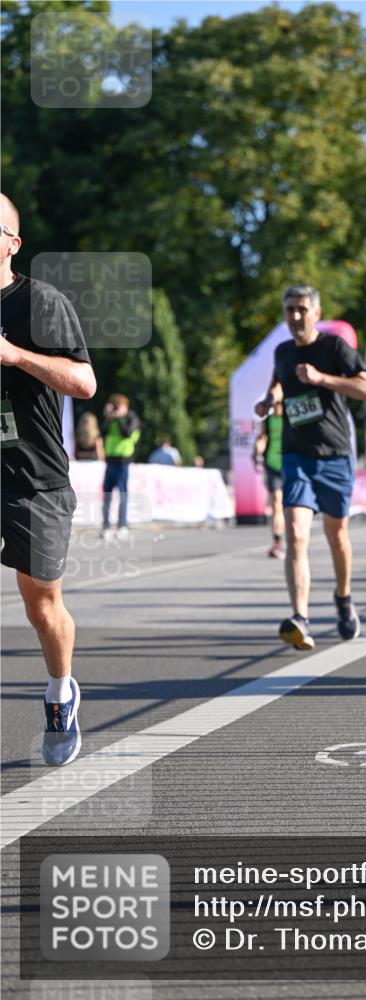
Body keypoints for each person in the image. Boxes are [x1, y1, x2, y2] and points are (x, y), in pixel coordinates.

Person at [0, 192, 96, 766]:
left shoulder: (39, 302)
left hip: (33, 478)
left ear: (12, 242)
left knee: (41, 607)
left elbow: (83, 383)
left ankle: (61, 692)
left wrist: (13, 356)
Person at [254, 284, 366, 649]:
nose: (295, 316)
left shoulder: (334, 348)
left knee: (336, 535)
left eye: (302, 310)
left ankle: (343, 598)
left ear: (316, 313)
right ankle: (300, 618)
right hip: (296, 456)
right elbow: (280, 384)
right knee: (295, 534)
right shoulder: (282, 352)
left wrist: (322, 379)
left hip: (335, 455)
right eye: (289, 309)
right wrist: (268, 400)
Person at [101, 393, 141, 540]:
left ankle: (122, 525)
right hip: (110, 461)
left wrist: (118, 418)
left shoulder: (132, 418)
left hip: (123, 462)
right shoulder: (110, 420)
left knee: (122, 494)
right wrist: (107, 417)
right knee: (106, 495)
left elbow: (127, 433)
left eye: (118, 406)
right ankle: (106, 525)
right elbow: (103, 433)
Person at [253, 383, 285, 559]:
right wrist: (258, 448)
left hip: (291, 463)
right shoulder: (268, 420)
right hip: (273, 464)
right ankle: (277, 543)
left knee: (291, 507)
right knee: (276, 504)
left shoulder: (291, 417)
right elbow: (262, 437)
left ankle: (295, 539)